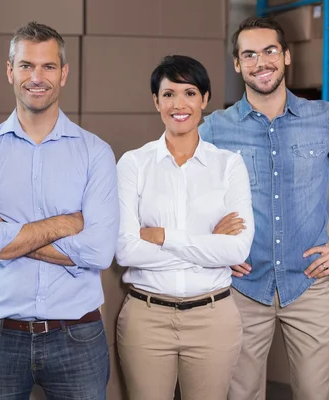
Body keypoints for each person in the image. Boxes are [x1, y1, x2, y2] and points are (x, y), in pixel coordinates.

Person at [199, 17, 329, 400]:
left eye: (269, 51)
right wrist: (211, 250)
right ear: (237, 64)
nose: (260, 61)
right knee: (240, 395)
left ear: (285, 57)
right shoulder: (214, 128)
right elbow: (179, 196)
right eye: (248, 54)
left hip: (309, 285)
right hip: (243, 287)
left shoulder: (326, 118)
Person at [0, 22, 119, 400]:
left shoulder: (96, 153)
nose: (37, 77)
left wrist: (4, 231)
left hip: (77, 334)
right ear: (10, 71)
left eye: (47, 66)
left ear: (64, 73)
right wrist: (63, 224)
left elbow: (98, 252)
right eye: (26, 65)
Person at [114, 55, 254, 400]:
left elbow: (237, 250)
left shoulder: (228, 165)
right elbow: (125, 250)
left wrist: (162, 237)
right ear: (156, 101)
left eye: (190, 93)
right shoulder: (133, 164)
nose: (180, 104)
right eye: (169, 94)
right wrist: (209, 247)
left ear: (205, 100)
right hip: (147, 318)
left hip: (213, 318)